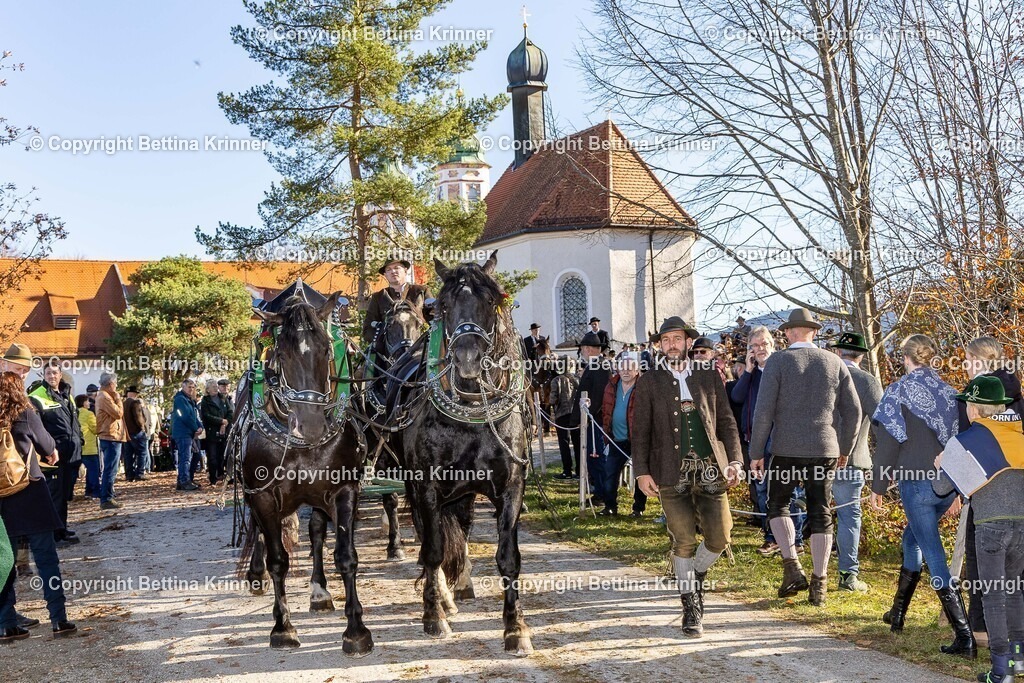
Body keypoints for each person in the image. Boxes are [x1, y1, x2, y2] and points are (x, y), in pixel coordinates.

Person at [633, 316, 743, 638]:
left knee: (720, 537)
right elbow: (640, 433)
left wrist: (735, 460)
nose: (672, 345)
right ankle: (690, 605)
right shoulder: (649, 380)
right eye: (665, 340)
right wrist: (641, 472)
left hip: (712, 470)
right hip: (669, 473)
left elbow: (727, 422)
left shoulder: (709, 375)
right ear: (660, 345)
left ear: (688, 342)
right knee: (683, 541)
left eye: (677, 339)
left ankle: (692, 575)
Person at [749, 308, 862, 607]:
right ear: (813, 332)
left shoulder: (778, 361)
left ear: (788, 332)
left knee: (778, 505)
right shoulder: (834, 361)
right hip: (825, 448)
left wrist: (756, 452)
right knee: (820, 512)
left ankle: (792, 567)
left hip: (786, 448)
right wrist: (845, 448)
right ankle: (819, 584)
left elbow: (763, 413)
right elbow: (854, 411)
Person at [870, 334, 974, 657]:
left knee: (934, 555)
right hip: (944, 486)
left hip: (915, 484)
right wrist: (957, 489)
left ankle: (965, 636)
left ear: (906, 358)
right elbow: (961, 442)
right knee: (911, 540)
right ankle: (897, 614)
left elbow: (888, 443)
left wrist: (876, 485)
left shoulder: (898, 391)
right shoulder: (951, 394)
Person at [935, 376, 1024, 683]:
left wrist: (941, 463)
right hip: (1022, 525)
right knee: (1015, 591)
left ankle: (1001, 671)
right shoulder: (1020, 432)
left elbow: (941, 487)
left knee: (993, 596)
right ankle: (1018, 659)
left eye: (969, 405)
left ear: (976, 408)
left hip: (989, 526)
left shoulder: (967, 440)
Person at [0, 371, 77, 641]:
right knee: (46, 560)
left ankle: (6, 623)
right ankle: (59, 619)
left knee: (5, 562)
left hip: (2, 501)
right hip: (31, 492)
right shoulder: (25, 414)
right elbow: (49, 446)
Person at [958, 336, 1024, 647]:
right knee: (1014, 579)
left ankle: (983, 635)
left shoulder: (977, 399)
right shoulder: (1017, 396)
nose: (965, 365)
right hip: (1018, 497)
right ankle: (1016, 645)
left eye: (969, 360)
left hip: (985, 497)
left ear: (984, 361)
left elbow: (966, 449)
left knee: (983, 568)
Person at [732, 326, 806, 556]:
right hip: (757, 441)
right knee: (763, 491)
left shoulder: (784, 366)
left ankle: (797, 539)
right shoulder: (752, 374)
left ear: (773, 345)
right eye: (754, 346)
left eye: (764, 344)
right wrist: (748, 371)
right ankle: (772, 537)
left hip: (783, 440)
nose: (760, 349)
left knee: (789, 490)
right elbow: (736, 397)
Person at [828, 332, 883, 593]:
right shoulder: (868, 382)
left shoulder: (823, 377)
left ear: (838, 352)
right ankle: (848, 575)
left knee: (815, 513)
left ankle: (810, 572)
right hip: (853, 459)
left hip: (819, 456)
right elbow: (883, 425)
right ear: (861, 356)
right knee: (850, 516)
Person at [27, 364, 82, 546]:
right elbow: (37, 429)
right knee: (54, 496)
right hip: (52, 455)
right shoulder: (37, 397)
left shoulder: (67, 395)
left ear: (60, 375)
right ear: (44, 375)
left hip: (70, 454)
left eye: (55, 373)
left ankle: (62, 528)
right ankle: (53, 535)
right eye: (48, 373)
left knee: (64, 494)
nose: (52, 376)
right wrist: (47, 450)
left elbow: (75, 422)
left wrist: (79, 440)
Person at [570, 331, 611, 502]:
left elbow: (600, 395)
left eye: (582, 349)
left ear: (587, 349)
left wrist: (588, 416)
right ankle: (598, 490)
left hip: (596, 420)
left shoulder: (601, 366)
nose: (582, 352)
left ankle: (602, 493)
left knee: (597, 457)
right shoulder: (593, 365)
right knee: (591, 458)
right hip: (590, 419)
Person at [600, 353, 641, 516]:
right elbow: (605, 408)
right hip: (615, 438)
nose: (626, 371)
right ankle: (610, 506)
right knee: (609, 473)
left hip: (637, 439)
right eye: (623, 368)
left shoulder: (642, 387)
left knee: (640, 474)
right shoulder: (611, 385)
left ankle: (638, 509)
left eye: (630, 368)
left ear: (636, 371)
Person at [361, 258, 431, 341]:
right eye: (389, 270)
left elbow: (436, 319)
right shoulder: (378, 297)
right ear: (385, 275)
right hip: (389, 350)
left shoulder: (421, 291)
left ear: (405, 271)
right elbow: (368, 330)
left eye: (397, 268)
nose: (393, 271)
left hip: (419, 347)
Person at [95, 372, 127, 510]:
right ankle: (106, 498)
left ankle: (109, 494)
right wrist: (118, 399)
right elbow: (118, 413)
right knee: (110, 468)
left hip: (112, 434)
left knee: (112, 468)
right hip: (110, 435)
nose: (117, 386)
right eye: (116, 383)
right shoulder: (104, 396)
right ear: (111, 384)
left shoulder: (104, 395)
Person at [549, 357, 580, 480]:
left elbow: (553, 399)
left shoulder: (556, 380)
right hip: (576, 414)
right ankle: (579, 471)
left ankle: (567, 471)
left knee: (564, 443)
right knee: (578, 443)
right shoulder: (577, 379)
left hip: (562, 414)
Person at [172, 379, 203, 492]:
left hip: (189, 433)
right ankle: (184, 481)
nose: (191, 389)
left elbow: (195, 416)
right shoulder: (180, 399)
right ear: (183, 387)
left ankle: (185, 479)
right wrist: (195, 428)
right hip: (182, 432)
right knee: (185, 458)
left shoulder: (190, 400)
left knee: (195, 456)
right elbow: (185, 416)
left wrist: (200, 427)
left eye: (193, 387)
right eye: (189, 387)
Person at [200, 378, 233, 486]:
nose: (215, 388)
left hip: (224, 432)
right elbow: (206, 415)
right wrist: (220, 421)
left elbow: (230, 412)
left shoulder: (223, 398)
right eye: (213, 387)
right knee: (212, 457)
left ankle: (224, 476)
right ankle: (213, 478)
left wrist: (225, 423)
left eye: (216, 386)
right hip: (212, 432)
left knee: (223, 455)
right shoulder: (205, 401)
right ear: (208, 389)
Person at [122, 385, 150, 482]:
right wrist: (142, 427)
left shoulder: (123, 404)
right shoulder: (135, 403)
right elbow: (138, 417)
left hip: (126, 432)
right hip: (136, 432)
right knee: (142, 452)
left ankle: (129, 474)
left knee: (128, 454)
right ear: (135, 394)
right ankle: (140, 473)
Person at [76, 394, 100, 498]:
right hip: (89, 446)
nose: (89, 403)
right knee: (93, 470)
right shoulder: (89, 414)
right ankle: (95, 491)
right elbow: (95, 428)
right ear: (83, 403)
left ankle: (88, 491)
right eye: (87, 401)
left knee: (87, 470)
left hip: (78, 446)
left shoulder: (74, 413)